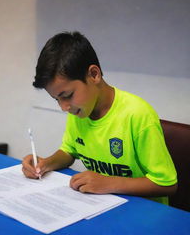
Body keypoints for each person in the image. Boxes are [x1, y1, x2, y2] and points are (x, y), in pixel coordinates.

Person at [22, 31, 177, 204]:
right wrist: (45, 164)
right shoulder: (80, 111)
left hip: (145, 213)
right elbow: (69, 151)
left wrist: (110, 183)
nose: (64, 107)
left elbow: (167, 184)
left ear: (94, 74)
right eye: (56, 99)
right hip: (103, 205)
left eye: (68, 95)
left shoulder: (138, 115)